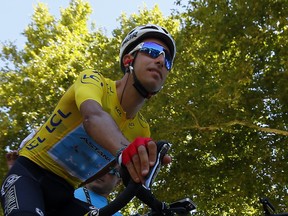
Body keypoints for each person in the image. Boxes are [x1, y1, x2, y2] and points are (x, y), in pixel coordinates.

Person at [0, 23, 176, 216]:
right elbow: (93, 117)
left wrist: (158, 207)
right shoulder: (94, 81)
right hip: (28, 176)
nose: (160, 60)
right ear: (128, 60)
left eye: (167, 60)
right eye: (152, 51)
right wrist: (126, 150)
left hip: (65, 197)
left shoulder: (142, 130)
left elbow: (127, 177)